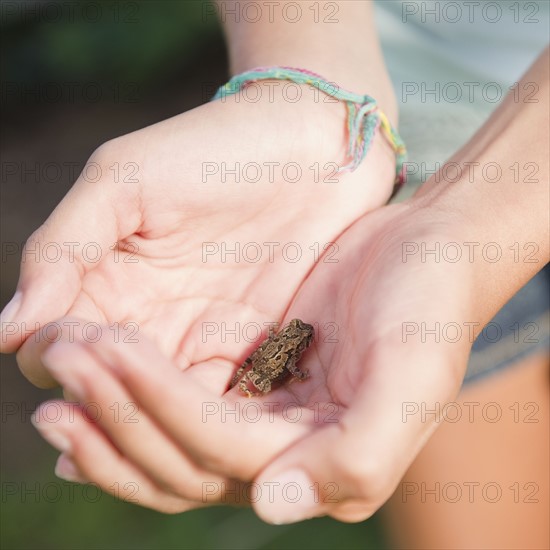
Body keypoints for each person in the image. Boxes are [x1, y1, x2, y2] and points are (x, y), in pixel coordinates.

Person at [1, 2, 548, 548]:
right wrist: (307, 83)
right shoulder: (292, 341)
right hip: (405, 155)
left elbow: (287, 355)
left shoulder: (292, 343)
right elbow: (281, 358)